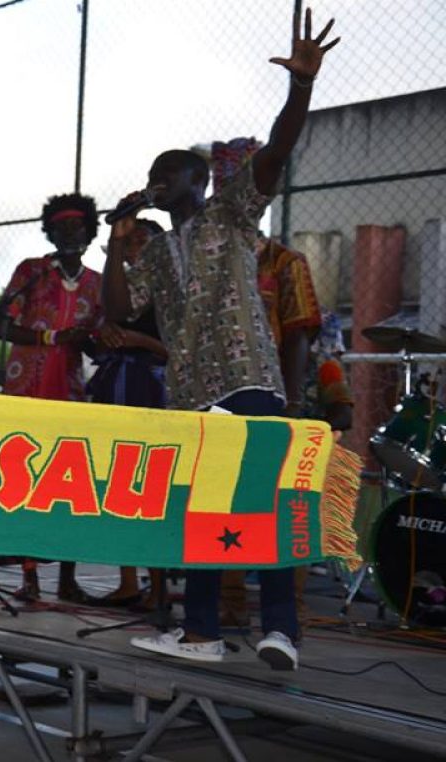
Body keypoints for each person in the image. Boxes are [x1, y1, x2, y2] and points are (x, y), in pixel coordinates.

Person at [102, 6, 339, 671]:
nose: (157, 179)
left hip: (247, 377)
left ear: (198, 180)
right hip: (191, 393)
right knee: (204, 514)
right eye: (153, 172)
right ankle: (200, 631)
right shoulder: (155, 251)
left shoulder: (231, 213)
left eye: (168, 171)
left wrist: (300, 87)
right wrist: (116, 242)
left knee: (262, 502)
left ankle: (281, 631)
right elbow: (117, 311)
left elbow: (278, 150)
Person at [212, 137, 326, 629]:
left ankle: (283, 616)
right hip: (216, 397)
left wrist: (292, 402)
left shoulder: (284, 262)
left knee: (272, 502)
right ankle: (228, 602)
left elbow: (298, 333)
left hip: (268, 396)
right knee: (220, 501)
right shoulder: (207, 258)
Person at [0, 192, 102, 604]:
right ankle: (30, 577)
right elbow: (0, 327)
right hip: (27, 387)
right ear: (50, 234)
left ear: (90, 231)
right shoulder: (32, 271)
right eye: (61, 227)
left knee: (69, 482)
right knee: (25, 477)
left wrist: (90, 341)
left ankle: (68, 579)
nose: (70, 233)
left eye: (77, 226)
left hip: (69, 392)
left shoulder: (98, 284)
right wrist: (52, 337)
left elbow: (97, 343)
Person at [86, 218, 169, 609]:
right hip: (116, 387)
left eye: (142, 241)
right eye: (130, 242)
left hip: (153, 392)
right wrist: (107, 337)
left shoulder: (169, 291)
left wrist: (138, 340)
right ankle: (128, 582)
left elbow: (178, 351)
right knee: (117, 485)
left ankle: (159, 587)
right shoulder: (116, 290)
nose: (135, 248)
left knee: (154, 488)